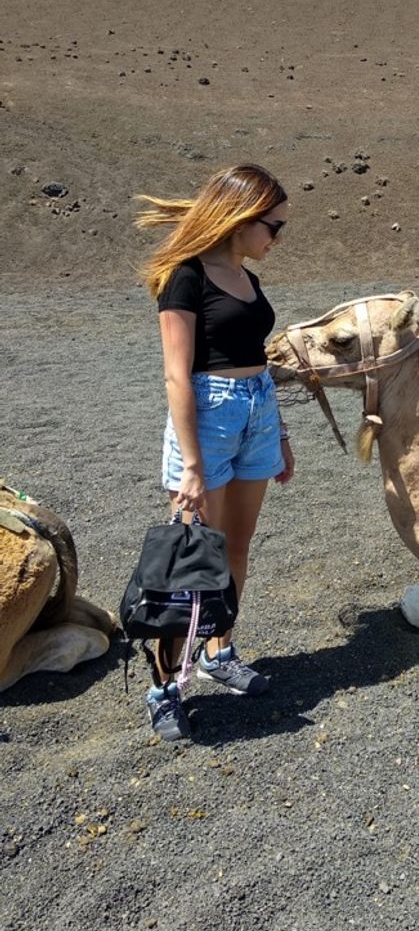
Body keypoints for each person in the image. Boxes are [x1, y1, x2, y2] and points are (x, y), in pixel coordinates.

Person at [136, 164, 294, 741]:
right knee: (191, 560)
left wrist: (279, 434)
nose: (277, 238)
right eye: (273, 226)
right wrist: (193, 463)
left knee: (238, 546)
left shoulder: (246, 277)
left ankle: (218, 651)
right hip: (209, 415)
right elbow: (177, 378)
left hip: (258, 409)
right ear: (242, 217)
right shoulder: (186, 278)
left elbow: (257, 357)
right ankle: (164, 687)